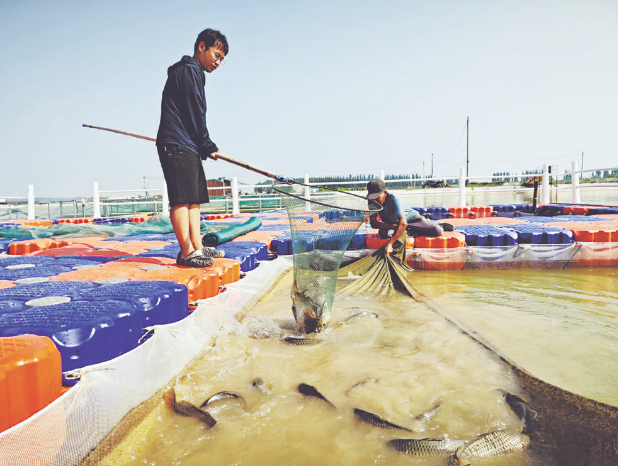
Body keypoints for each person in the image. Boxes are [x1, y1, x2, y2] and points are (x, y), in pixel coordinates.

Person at [156, 28, 228, 267]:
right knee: (181, 200)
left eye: (222, 59)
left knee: (194, 199)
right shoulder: (187, 70)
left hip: (188, 144)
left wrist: (201, 145)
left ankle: (197, 246)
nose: (218, 62)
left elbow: (195, 113)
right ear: (201, 47)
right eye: (216, 54)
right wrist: (207, 144)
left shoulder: (196, 73)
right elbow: (194, 111)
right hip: (176, 143)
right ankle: (186, 251)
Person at [366, 178, 453, 255]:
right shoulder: (371, 202)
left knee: (437, 231)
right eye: (372, 197)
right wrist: (392, 226)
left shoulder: (394, 199)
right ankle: (411, 231)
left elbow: (403, 223)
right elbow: (374, 223)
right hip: (395, 224)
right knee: (383, 233)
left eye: (377, 197)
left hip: (411, 219)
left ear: (384, 192)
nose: (375, 200)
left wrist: (390, 243)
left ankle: (438, 225)